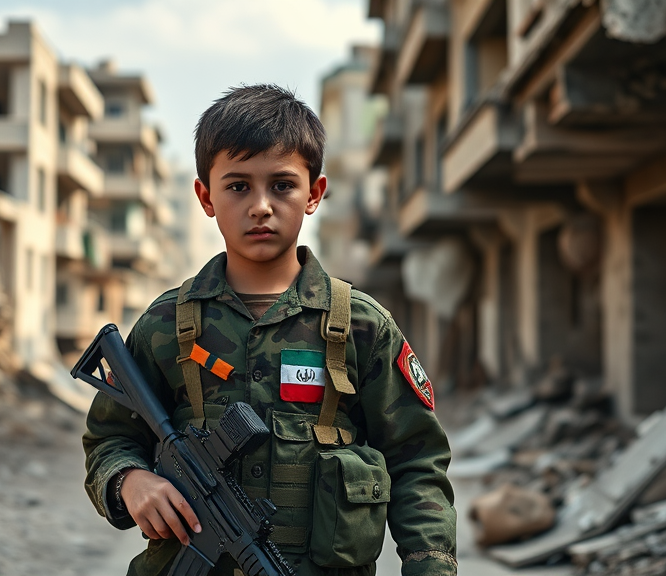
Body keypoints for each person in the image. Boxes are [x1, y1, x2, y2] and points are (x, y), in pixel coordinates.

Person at [83, 84, 457, 576]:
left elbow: (417, 463)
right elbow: (110, 437)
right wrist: (130, 481)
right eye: (238, 186)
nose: (261, 206)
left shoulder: (361, 327)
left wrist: (430, 566)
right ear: (205, 196)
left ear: (314, 194)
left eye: (282, 185)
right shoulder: (165, 325)